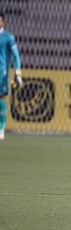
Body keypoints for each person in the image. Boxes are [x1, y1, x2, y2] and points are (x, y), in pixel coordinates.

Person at [0, 11, 23, 141]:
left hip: (1, 73)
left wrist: (17, 72)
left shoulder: (8, 37)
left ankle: (1, 129)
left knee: (1, 99)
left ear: (3, 22)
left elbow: (16, 56)